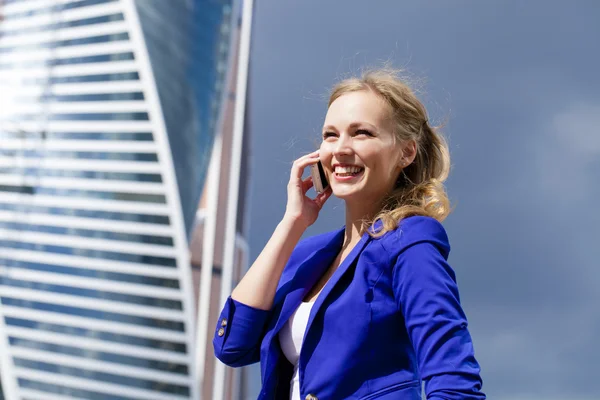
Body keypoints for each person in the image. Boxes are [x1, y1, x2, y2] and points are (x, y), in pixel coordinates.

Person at [213, 68, 485, 400]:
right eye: (330, 135)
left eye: (362, 133)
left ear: (406, 153)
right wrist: (292, 223)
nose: (341, 149)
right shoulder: (308, 255)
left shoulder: (410, 240)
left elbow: (454, 381)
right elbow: (232, 346)